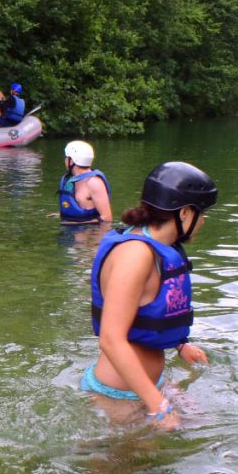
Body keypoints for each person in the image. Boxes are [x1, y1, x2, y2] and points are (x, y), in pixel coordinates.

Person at [82, 161, 217, 421]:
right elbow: (110, 339)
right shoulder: (136, 255)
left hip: (146, 386)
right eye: (202, 213)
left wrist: (179, 345)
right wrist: (158, 405)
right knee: (123, 462)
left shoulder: (153, 246)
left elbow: (147, 309)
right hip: (118, 396)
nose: (203, 221)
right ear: (186, 213)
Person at [58, 140, 112, 224]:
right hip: (69, 230)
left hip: (88, 234)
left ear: (71, 161)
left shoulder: (94, 183)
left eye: (67, 157)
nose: (65, 160)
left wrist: (75, 223)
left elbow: (107, 218)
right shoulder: (71, 180)